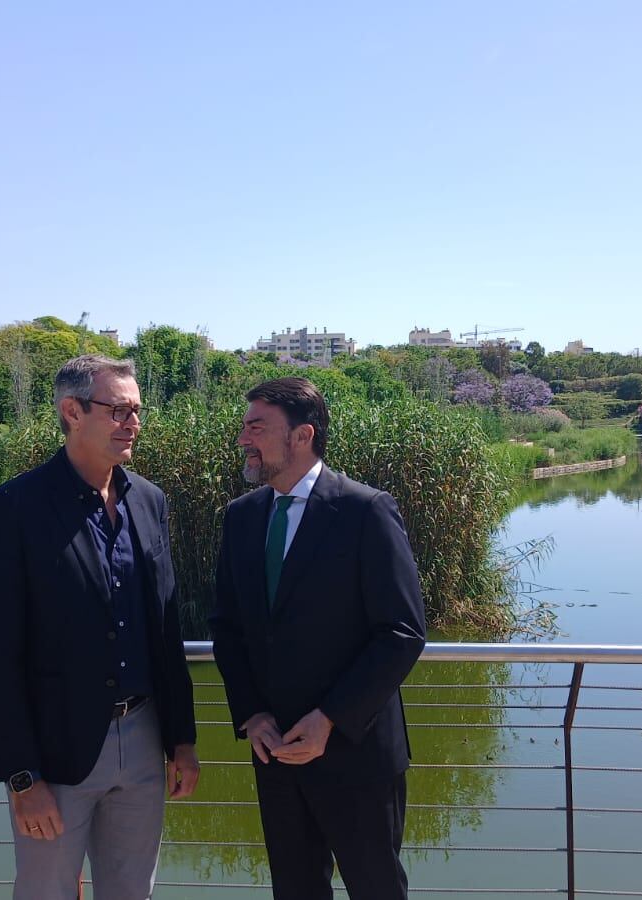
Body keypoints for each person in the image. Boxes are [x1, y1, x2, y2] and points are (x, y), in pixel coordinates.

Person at [0, 354, 200, 899]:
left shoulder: (149, 501)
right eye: (119, 410)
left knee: (131, 892)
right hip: (56, 753)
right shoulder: (14, 507)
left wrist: (182, 739)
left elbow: (166, 628)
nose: (133, 424)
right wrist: (22, 777)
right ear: (72, 411)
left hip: (144, 741)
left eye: (137, 411)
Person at [209, 376, 426, 900]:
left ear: (302, 434)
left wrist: (330, 718)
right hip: (275, 753)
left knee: (377, 889)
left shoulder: (364, 510)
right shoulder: (242, 518)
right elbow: (228, 628)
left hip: (357, 754)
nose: (244, 439)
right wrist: (252, 713)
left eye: (256, 427)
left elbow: (401, 631)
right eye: (244, 427)